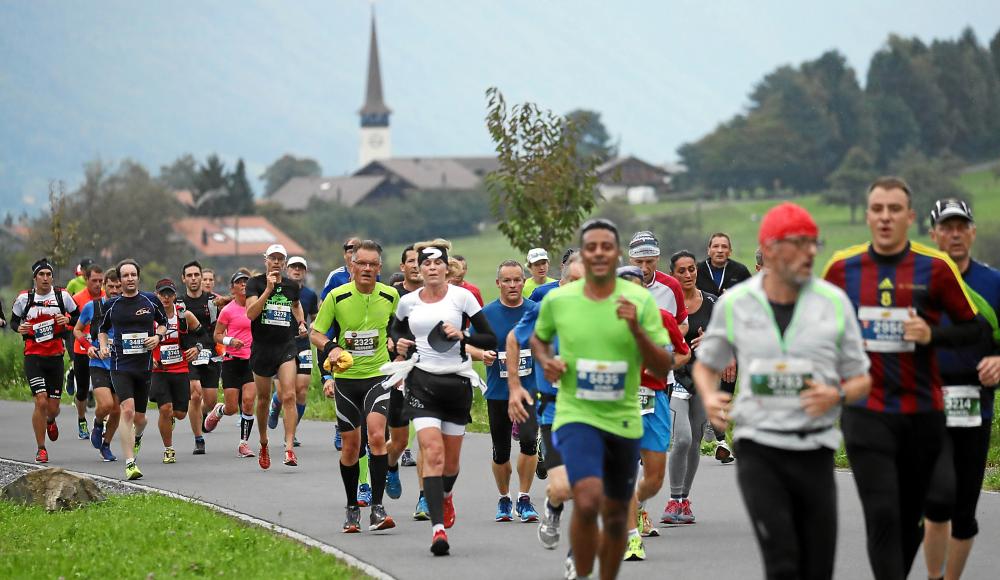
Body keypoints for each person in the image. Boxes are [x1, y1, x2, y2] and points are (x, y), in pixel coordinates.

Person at [694, 202, 871, 579]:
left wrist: (836, 396)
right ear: (770, 249)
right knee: (783, 560)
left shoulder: (833, 303)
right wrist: (710, 397)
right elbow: (706, 364)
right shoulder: (736, 304)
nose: (809, 252)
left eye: (813, 243)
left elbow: (862, 379)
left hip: (816, 449)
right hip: (760, 448)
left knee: (817, 566)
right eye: (798, 243)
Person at [822, 177, 985, 580]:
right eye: (877, 209)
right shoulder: (842, 268)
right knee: (881, 514)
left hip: (922, 412)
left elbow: (975, 329)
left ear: (909, 217)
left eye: (894, 209)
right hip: (866, 411)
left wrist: (933, 335)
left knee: (926, 508)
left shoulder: (936, 268)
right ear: (867, 216)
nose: (885, 217)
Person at [530, 219, 672, 580]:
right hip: (576, 413)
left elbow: (663, 362)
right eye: (590, 246)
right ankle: (579, 567)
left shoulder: (639, 300)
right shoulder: (559, 300)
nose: (598, 253)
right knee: (588, 496)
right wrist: (548, 363)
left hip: (623, 416)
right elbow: (539, 339)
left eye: (605, 247)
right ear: (583, 252)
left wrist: (636, 329)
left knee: (613, 512)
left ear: (615, 253)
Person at [383, 238, 497, 556]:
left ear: (447, 268)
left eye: (438, 263)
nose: (432, 268)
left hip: (456, 385)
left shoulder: (463, 298)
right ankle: (438, 531)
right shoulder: (408, 302)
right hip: (421, 383)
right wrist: (399, 344)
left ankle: (446, 495)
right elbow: (396, 332)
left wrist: (463, 335)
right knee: (431, 452)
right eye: (426, 264)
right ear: (418, 269)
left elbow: (489, 337)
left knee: (450, 462)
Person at [923, 198, 1000, 580]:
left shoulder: (993, 283)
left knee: (964, 512)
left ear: (971, 232)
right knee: (936, 502)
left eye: (961, 226)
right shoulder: (917, 282)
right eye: (946, 227)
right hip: (927, 408)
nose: (954, 234)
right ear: (934, 234)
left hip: (975, 407)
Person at [311, 240, 400, 533]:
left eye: (373, 264)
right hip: (347, 381)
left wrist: (396, 347)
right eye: (361, 263)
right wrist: (332, 348)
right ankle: (352, 507)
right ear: (352, 265)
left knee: (376, 436)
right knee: (351, 446)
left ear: (379, 268)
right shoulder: (337, 296)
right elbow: (316, 333)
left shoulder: (390, 296)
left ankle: (377, 507)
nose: (367, 269)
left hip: (378, 375)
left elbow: (399, 330)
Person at [510, 252, 584, 554]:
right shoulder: (546, 308)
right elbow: (515, 339)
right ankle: (553, 509)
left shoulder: (604, 310)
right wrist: (514, 387)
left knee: (590, 489)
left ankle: (578, 557)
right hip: (555, 409)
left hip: (595, 409)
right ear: (562, 282)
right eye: (574, 281)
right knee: (562, 487)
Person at [616, 265, 691, 561]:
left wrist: (664, 364)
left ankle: (630, 505)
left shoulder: (663, 318)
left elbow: (684, 352)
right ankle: (630, 537)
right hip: (617, 401)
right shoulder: (606, 322)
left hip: (654, 398)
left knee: (655, 477)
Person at [478, 260, 540, 523]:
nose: (513, 285)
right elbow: (467, 345)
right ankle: (504, 498)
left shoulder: (536, 311)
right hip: (498, 392)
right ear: (498, 283)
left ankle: (524, 497)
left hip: (529, 390)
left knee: (528, 442)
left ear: (524, 281)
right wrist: (481, 353)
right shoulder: (486, 314)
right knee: (501, 451)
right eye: (507, 281)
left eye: (517, 280)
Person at [97, 259, 168, 480]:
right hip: (120, 365)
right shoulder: (112, 305)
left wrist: (157, 337)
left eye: (133, 275)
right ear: (119, 280)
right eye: (125, 275)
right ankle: (130, 463)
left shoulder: (151, 300)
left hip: (144, 365)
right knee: (127, 410)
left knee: (140, 418)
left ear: (138, 277)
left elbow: (164, 323)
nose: (129, 279)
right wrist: (102, 346)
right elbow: (101, 329)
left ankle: (138, 435)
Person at [664, 250, 716, 524]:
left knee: (695, 440)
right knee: (681, 438)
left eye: (691, 269)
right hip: (675, 377)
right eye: (681, 271)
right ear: (672, 274)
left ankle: (683, 500)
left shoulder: (711, 303)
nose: (687, 275)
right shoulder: (667, 303)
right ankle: (673, 499)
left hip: (702, 379)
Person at [245, 244, 308, 468]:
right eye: (272, 258)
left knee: (289, 395)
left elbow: (297, 306)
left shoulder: (292, 286)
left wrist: (300, 322)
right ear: (266, 260)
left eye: (280, 259)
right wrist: (268, 291)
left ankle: (289, 448)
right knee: (263, 399)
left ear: (284, 262)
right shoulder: (255, 283)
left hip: (285, 346)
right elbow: (251, 314)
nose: (276, 262)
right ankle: (263, 443)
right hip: (262, 347)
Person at [11, 259, 79, 464]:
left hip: (55, 356)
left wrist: (67, 320)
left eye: (49, 274)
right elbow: (14, 321)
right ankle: (41, 448)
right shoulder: (25, 298)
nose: (46, 278)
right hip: (33, 356)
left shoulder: (62, 296)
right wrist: (19, 328)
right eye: (41, 275)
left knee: (53, 407)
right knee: (40, 401)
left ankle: (51, 420)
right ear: (35, 278)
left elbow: (77, 317)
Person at [151, 278, 207, 465]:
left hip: (180, 368)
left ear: (175, 296)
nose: (166, 298)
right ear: (156, 295)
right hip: (159, 370)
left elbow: (203, 335)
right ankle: (168, 449)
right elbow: (141, 339)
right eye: (162, 294)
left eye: (169, 294)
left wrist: (198, 348)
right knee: (165, 409)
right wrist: (149, 357)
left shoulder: (184, 315)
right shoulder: (148, 316)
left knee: (180, 413)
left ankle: (170, 420)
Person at [204, 271, 257, 458]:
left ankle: (244, 444)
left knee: (249, 402)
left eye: (246, 282)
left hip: (251, 361)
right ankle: (220, 410)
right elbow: (216, 335)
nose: (243, 284)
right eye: (239, 282)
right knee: (232, 408)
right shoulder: (228, 310)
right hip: (232, 361)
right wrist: (229, 340)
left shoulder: (257, 307)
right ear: (232, 288)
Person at [387, 245, 422, 515]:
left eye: (420, 261)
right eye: (410, 261)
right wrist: (390, 342)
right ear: (403, 267)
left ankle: (425, 496)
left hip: (428, 372)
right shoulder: (392, 296)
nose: (416, 265)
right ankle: (390, 465)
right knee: (398, 441)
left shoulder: (435, 296)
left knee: (427, 438)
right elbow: (382, 328)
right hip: (399, 371)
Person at [268, 256, 318, 447]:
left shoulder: (310, 295)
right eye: (293, 267)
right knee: (283, 393)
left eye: (301, 268)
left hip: (302, 344)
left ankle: (291, 432)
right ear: (286, 269)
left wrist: (312, 327)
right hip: (280, 344)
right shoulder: (277, 290)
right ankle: (275, 404)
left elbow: (315, 317)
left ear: (305, 272)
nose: (297, 271)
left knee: (302, 391)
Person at [74, 267, 122, 462]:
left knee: (117, 410)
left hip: (120, 365)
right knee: (107, 404)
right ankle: (98, 421)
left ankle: (106, 445)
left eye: (118, 286)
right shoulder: (93, 307)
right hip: (99, 362)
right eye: (111, 287)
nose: (115, 291)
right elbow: (77, 330)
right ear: (104, 287)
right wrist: (88, 346)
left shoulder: (127, 307)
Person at [177, 260, 220, 455]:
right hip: (187, 353)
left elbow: (216, 327)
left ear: (202, 277)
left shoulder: (211, 300)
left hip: (209, 352)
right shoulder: (179, 303)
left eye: (197, 275)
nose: (194, 279)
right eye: (190, 275)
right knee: (195, 394)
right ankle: (198, 438)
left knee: (209, 401)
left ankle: (202, 416)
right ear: (183, 278)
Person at [70, 263, 104, 439]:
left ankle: (101, 422)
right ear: (86, 279)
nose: (98, 284)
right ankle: (82, 419)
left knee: (103, 388)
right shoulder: (77, 298)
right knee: (83, 389)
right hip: (82, 350)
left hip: (102, 352)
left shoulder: (107, 298)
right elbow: (72, 325)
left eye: (101, 281)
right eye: (94, 281)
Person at [321, 236, 362, 300]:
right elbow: (323, 304)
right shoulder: (335, 276)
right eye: (351, 252)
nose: (354, 255)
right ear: (345, 255)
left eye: (356, 252)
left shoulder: (369, 275)